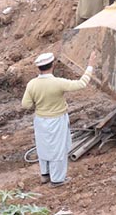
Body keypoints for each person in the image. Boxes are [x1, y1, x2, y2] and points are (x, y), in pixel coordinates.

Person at [21, 51, 96, 187]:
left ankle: (45, 174)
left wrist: (38, 103)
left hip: (40, 120)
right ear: (53, 65)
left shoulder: (32, 84)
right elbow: (81, 84)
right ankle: (57, 179)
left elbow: (25, 104)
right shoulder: (57, 83)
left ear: (39, 68)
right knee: (58, 150)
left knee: (43, 147)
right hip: (56, 120)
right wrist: (90, 65)